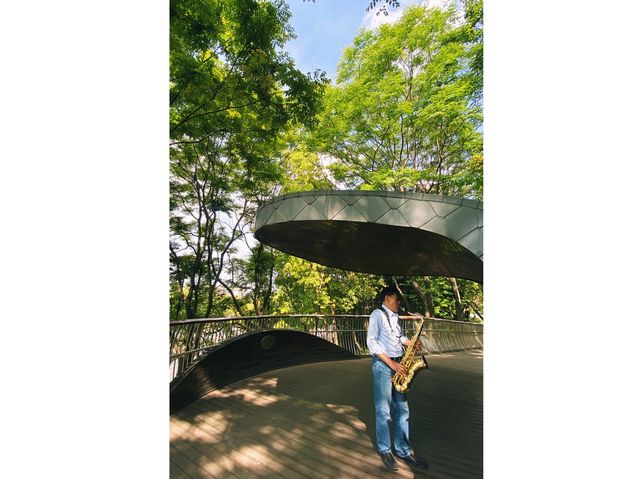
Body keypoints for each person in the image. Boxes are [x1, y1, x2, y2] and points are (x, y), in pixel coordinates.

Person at [366, 286, 428, 472]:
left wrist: (411, 343)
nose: (399, 303)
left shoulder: (395, 317)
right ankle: (385, 450)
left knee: (402, 409)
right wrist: (391, 364)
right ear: (386, 299)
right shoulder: (377, 314)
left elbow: (398, 337)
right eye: (396, 299)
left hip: (399, 364)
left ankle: (403, 450)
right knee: (383, 411)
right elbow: (372, 342)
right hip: (383, 366)